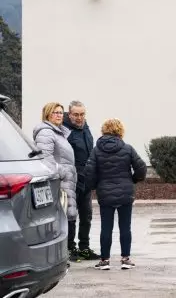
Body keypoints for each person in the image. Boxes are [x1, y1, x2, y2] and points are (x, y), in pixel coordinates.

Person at [83, 118, 147, 270]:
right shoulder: (128, 148)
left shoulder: (96, 150)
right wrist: (133, 180)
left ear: (104, 131)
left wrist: (94, 186)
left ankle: (105, 260)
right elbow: (142, 168)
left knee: (106, 227)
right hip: (126, 193)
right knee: (125, 227)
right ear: (120, 131)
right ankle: (125, 259)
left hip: (105, 193)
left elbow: (89, 172)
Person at [33, 103, 79, 260]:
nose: (59, 115)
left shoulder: (59, 133)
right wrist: (64, 172)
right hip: (58, 184)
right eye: (55, 112)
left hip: (66, 183)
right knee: (60, 219)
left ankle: (64, 253)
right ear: (47, 114)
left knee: (67, 217)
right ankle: (58, 256)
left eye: (61, 112)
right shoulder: (46, 132)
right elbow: (46, 159)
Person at [62, 100, 100, 261]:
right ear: (69, 114)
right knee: (71, 215)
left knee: (86, 215)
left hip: (86, 179)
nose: (79, 118)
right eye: (76, 114)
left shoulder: (86, 128)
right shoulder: (64, 131)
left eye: (82, 114)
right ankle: (70, 248)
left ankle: (84, 247)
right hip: (71, 180)